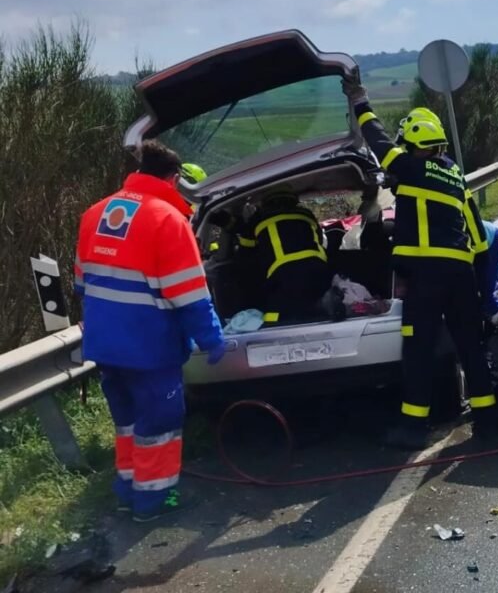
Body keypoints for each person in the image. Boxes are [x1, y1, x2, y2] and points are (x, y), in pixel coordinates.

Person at [341, 69, 497, 448]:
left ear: (412, 143)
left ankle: (413, 428)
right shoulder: (456, 177)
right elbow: (478, 239)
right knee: (469, 345)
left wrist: (360, 100)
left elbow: (378, 141)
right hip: (460, 275)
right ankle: (489, 420)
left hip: (425, 278)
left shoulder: (409, 168)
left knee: (418, 349)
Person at [74, 140, 225, 522]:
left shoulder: (96, 213)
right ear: (173, 179)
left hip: (105, 344)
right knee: (159, 425)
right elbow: (189, 295)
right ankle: (155, 502)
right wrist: (212, 339)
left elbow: (81, 283)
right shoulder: (168, 220)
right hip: (149, 347)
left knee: (128, 424)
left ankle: (126, 492)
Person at [235, 192, 333, 326]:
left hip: (283, 273)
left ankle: (271, 330)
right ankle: (323, 306)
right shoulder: (306, 213)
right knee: (317, 295)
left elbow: (246, 248)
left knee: (276, 311)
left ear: (266, 201)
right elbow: (320, 240)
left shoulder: (258, 217)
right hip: (319, 267)